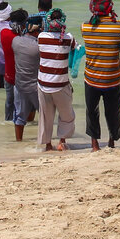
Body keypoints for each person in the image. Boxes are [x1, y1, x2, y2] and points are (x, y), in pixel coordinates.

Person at [81, 0, 120, 151]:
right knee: (113, 112)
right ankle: (112, 141)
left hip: (92, 78)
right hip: (113, 78)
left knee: (92, 111)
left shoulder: (85, 27)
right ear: (110, 8)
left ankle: (94, 144)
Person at [37, 8, 77, 151]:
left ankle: (48, 144)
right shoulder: (68, 38)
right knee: (67, 115)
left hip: (43, 84)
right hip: (61, 84)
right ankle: (61, 141)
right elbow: (75, 50)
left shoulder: (41, 36)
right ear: (63, 20)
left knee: (46, 116)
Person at [11, 16, 43, 141]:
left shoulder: (16, 41)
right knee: (45, 115)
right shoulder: (38, 46)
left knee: (19, 116)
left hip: (19, 85)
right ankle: (46, 142)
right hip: (35, 86)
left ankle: (19, 142)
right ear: (37, 31)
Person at [1, 8, 28, 122]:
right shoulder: (24, 39)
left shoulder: (4, 33)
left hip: (8, 74)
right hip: (22, 76)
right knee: (22, 103)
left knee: (9, 101)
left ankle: (8, 120)